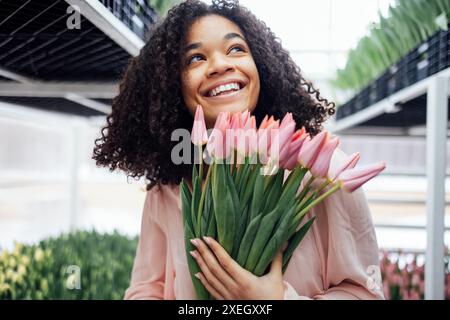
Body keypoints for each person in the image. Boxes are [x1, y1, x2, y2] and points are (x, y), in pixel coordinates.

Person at [93, 0, 384, 300]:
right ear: (170, 85)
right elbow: (145, 289)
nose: (220, 65)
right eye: (195, 58)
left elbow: (365, 293)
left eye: (236, 49)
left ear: (262, 66)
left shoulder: (322, 172)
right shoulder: (168, 187)